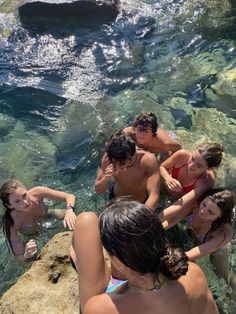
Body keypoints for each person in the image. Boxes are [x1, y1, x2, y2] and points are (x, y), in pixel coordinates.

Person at [71, 200, 218, 314]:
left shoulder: (100, 308)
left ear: (117, 262)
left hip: (119, 298)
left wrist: (84, 268)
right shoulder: (193, 273)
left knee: (86, 221)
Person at [158, 188, 235, 285]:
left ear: (221, 216)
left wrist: (164, 260)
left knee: (223, 276)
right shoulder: (195, 206)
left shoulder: (223, 233)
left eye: (211, 212)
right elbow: (172, 220)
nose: (203, 211)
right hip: (193, 237)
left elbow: (193, 253)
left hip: (216, 251)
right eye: (204, 204)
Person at [0, 179, 76, 262]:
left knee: (78, 219)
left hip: (49, 216)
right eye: (17, 201)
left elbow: (69, 196)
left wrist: (69, 210)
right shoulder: (11, 222)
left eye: (24, 195)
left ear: (26, 189)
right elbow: (18, 257)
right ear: (9, 205)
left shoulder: (37, 192)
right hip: (33, 237)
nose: (25, 202)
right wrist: (26, 256)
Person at [95, 129, 160, 209]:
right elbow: (98, 190)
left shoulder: (147, 160)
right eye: (116, 163)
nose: (119, 167)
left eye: (123, 164)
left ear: (134, 154)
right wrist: (105, 179)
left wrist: (140, 217)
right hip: (117, 199)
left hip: (140, 203)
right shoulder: (109, 158)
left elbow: (154, 195)